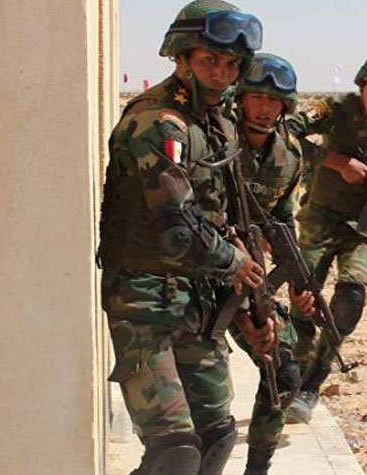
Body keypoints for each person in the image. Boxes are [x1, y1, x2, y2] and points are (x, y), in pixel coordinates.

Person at [97, 2, 269, 474]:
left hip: (198, 301)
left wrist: (249, 310)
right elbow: (178, 231)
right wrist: (236, 263)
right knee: (174, 452)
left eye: (231, 64)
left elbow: (227, 222)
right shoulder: (155, 123)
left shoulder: (218, 124)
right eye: (210, 60)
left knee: (217, 437)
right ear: (181, 57)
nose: (221, 73)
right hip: (144, 303)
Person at [284, 51, 367, 423]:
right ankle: (291, 372)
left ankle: (313, 382)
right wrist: (336, 161)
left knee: (350, 300)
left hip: (363, 228)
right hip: (321, 216)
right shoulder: (335, 109)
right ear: (362, 86)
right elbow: (287, 132)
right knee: (303, 296)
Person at [227, 52, 312, 475]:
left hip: (253, 277)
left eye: (274, 100)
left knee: (284, 371)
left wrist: (297, 278)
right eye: (257, 97)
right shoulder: (217, 141)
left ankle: (257, 468)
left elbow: (282, 218)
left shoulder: (289, 155)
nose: (264, 108)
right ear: (240, 98)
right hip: (200, 274)